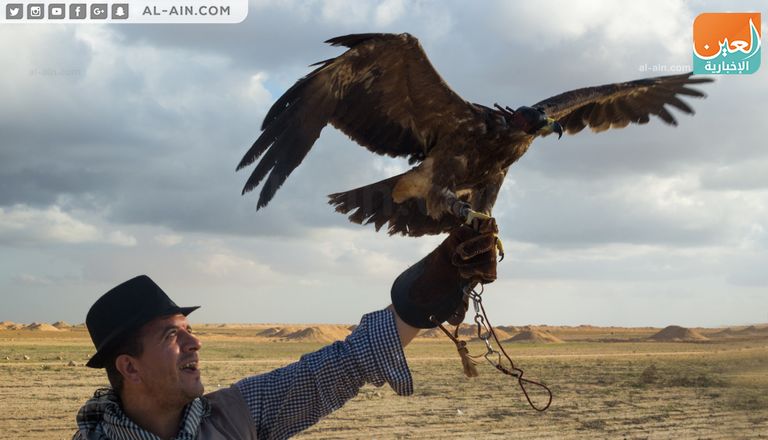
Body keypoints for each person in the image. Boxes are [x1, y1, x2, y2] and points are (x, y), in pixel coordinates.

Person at [73, 220, 499, 440]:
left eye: (189, 328)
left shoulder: (236, 416)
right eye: (172, 335)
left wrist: (424, 296)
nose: (195, 342)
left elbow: (341, 367)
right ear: (129, 367)